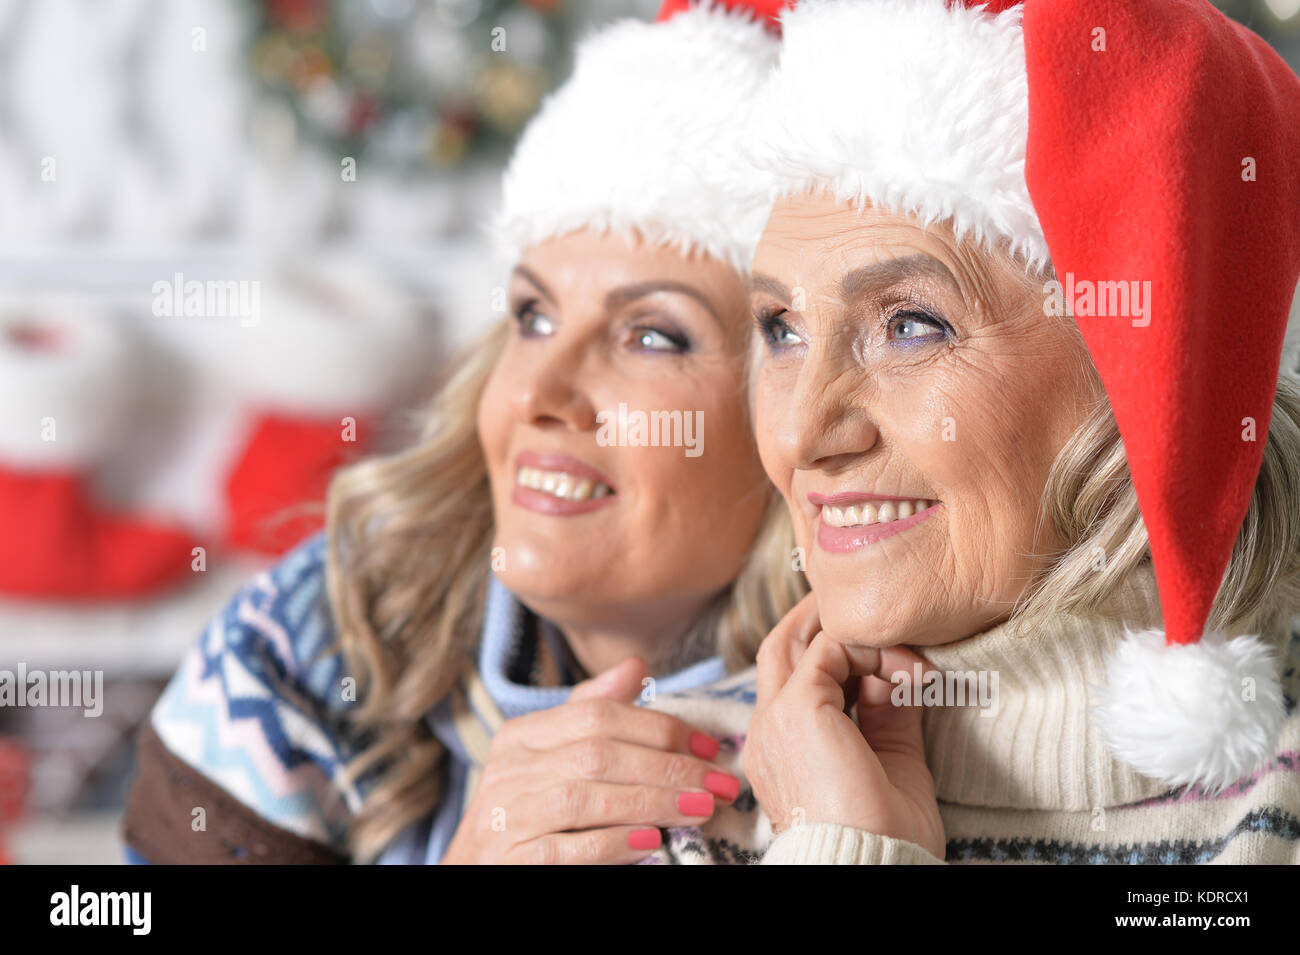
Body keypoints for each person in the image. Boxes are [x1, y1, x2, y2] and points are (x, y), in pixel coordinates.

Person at [121, 0, 805, 865]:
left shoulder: (922, 720)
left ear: (788, 417)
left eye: (651, 335)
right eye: (533, 316)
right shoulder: (315, 645)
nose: (539, 393)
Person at [739, 0, 1300, 864]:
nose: (804, 429)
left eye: (912, 325)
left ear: (1140, 375)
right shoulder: (668, 791)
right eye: (781, 328)